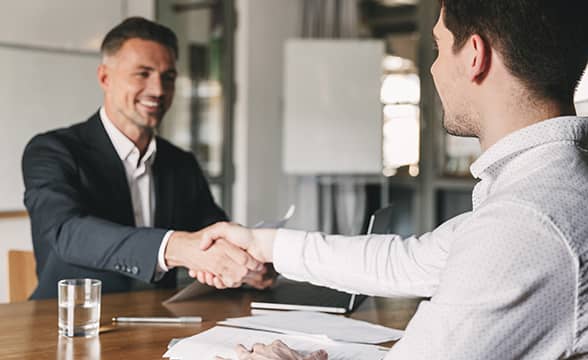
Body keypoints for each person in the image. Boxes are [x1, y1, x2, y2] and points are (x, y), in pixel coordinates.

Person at [197, 0, 588, 358]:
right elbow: (410, 261)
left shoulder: (526, 223)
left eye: (437, 47)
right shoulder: (547, 184)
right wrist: (262, 244)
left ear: (474, 55)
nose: (433, 68)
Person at [21, 17, 270, 300]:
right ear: (105, 78)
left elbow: (213, 232)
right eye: (143, 73)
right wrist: (176, 247)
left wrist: (248, 262)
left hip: (162, 318)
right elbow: (68, 232)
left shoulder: (181, 163)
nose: (159, 90)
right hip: (69, 322)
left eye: (169, 77)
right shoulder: (52, 150)